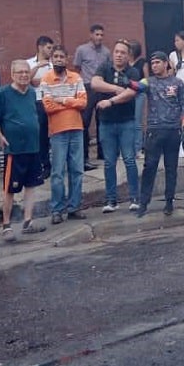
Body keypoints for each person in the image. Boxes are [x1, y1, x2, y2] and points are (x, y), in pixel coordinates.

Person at [0, 60, 46, 241]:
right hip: (14, 150)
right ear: (12, 74)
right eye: (20, 72)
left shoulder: (32, 93)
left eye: (26, 72)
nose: (24, 75)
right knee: (9, 189)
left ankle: (28, 222)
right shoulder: (3, 93)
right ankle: (6, 225)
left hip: (32, 147)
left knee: (31, 186)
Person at [134, 51, 184, 217]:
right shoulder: (149, 82)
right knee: (149, 167)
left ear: (166, 63)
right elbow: (137, 86)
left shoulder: (178, 83)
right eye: (152, 63)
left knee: (171, 168)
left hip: (173, 131)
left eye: (158, 62)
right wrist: (125, 82)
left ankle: (169, 201)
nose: (155, 66)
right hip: (154, 131)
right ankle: (143, 203)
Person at [90, 39, 140, 213]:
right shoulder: (105, 68)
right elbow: (95, 83)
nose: (119, 55)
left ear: (128, 56)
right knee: (109, 162)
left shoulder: (133, 71)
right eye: (117, 51)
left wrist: (110, 100)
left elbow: (132, 93)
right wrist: (117, 88)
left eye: (123, 53)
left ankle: (135, 198)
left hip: (127, 121)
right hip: (106, 123)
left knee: (129, 159)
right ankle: (111, 200)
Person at [42, 45, 88, 224]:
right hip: (57, 132)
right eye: (56, 56)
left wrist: (62, 100)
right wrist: (72, 102)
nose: (59, 59)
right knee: (58, 172)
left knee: (77, 170)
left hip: (76, 129)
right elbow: (47, 107)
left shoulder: (75, 78)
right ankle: (57, 209)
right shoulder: (46, 80)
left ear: (67, 59)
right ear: (52, 59)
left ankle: (74, 207)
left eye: (62, 56)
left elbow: (83, 103)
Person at [74, 24, 111, 170]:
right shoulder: (81, 50)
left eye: (101, 35)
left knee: (103, 121)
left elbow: (108, 69)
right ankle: (84, 157)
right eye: (97, 34)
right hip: (87, 87)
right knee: (85, 122)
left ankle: (103, 153)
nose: (99, 37)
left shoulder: (107, 52)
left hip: (102, 87)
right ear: (91, 35)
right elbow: (77, 68)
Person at [27, 36, 54, 179]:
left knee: (54, 134)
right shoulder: (29, 63)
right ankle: (44, 165)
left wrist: (41, 80)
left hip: (52, 100)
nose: (51, 51)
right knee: (41, 136)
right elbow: (26, 80)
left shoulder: (54, 63)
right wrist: (37, 67)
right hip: (37, 101)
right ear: (40, 47)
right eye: (49, 48)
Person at [128, 40, 147, 157]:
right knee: (127, 122)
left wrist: (136, 86)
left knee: (137, 122)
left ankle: (138, 148)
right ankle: (128, 149)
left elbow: (146, 79)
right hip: (126, 93)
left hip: (139, 93)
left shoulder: (142, 62)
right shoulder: (125, 63)